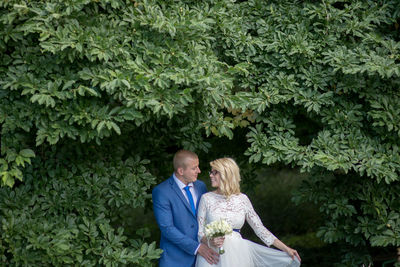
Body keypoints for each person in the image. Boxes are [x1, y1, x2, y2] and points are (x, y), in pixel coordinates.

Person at [195, 157, 301, 267]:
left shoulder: (242, 199)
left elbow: (260, 229)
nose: (210, 175)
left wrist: (286, 248)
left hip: (238, 254)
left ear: (226, 174)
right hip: (212, 256)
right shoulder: (206, 198)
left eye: (215, 172)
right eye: (211, 172)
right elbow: (200, 233)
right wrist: (210, 241)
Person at [152, 150, 220, 267]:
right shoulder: (161, 191)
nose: (199, 171)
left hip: (204, 257)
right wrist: (197, 247)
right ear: (181, 171)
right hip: (175, 259)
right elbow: (167, 228)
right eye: (194, 168)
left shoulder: (201, 186)